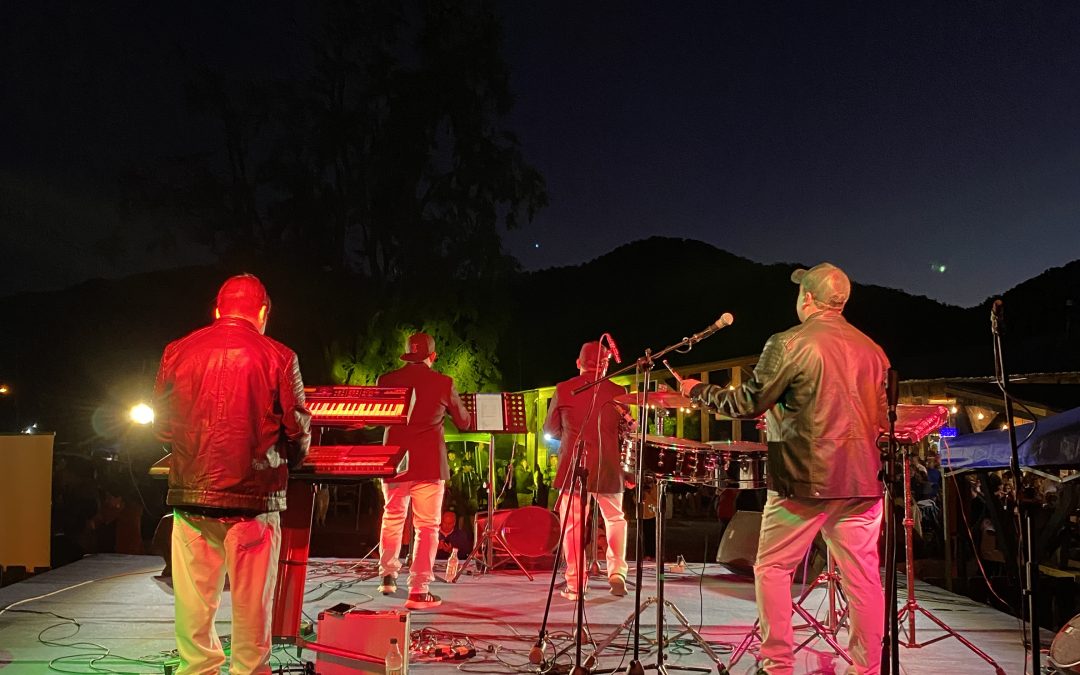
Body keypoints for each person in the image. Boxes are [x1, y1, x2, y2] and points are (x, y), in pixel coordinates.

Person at [679, 263, 889, 675]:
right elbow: (877, 419)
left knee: (773, 568)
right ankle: (866, 668)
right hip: (862, 481)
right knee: (863, 579)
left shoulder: (789, 343)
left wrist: (699, 391)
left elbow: (748, 402)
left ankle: (777, 665)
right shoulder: (874, 351)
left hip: (802, 480)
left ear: (807, 298)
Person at [154, 274, 311, 675]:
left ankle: (198, 669)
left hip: (191, 493)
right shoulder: (279, 355)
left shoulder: (176, 350)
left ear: (217, 310)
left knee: (193, 605)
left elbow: (163, 427)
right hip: (254, 498)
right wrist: (291, 461)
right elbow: (296, 429)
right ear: (262, 313)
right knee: (253, 605)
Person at [377, 332, 471, 609]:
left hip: (394, 462)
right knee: (427, 526)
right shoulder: (443, 382)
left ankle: (387, 575)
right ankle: (419, 590)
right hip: (429, 464)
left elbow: (375, 417)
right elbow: (464, 422)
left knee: (392, 517)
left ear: (407, 354)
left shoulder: (387, 380)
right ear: (433, 356)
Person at [543, 340, 630, 599]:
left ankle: (576, 583)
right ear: (606, 365)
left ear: (578, 363)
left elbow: (550, 430)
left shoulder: (563, 389)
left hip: (574, 465)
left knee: (573, 525)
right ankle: (617, 572)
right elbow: (626, 434)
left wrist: (570, 435)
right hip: (608, 465)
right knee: (615, 519)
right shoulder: (618, 391)